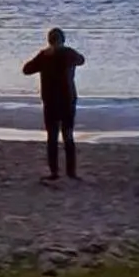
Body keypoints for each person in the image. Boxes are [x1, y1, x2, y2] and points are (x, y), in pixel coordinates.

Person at [22, 27, 85, 181]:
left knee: (52, 136)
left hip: (50, 100)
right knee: (68, 135)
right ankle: (71, 172)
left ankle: (54, 172)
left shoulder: (45, 55)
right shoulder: (68, 53)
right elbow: (81, 60)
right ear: (62, 40)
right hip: (67, 100)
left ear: (49, 41)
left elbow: (27, 69)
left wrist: (45, 55)